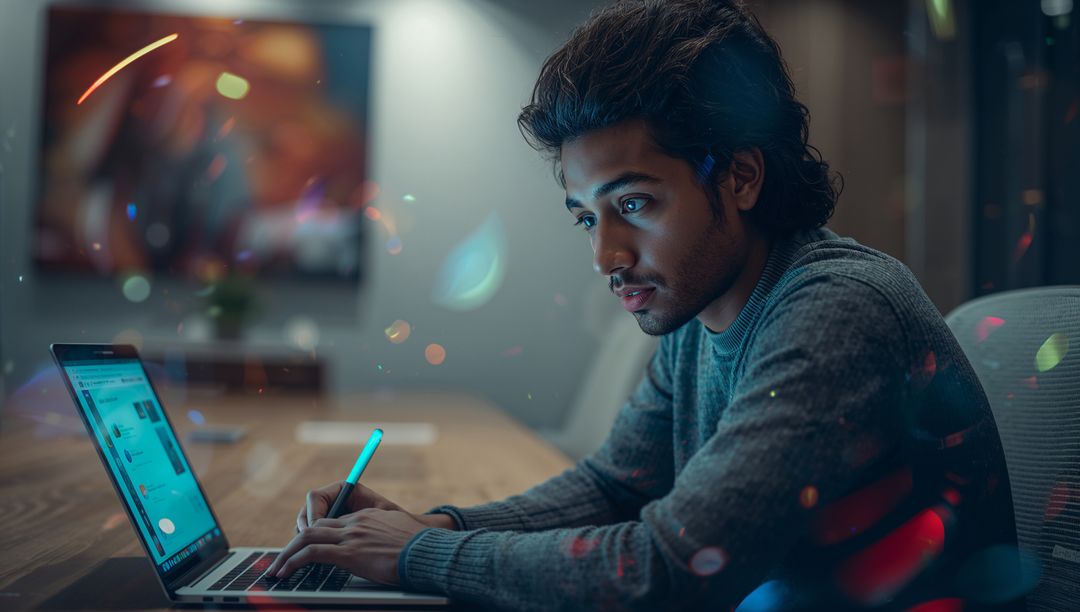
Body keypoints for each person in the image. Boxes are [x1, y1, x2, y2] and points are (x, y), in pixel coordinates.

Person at [266, 1, 1020, 609]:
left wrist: (420, 555)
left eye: (635, 202)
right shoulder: (705, 307)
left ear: (742, 178)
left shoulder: (837, 312)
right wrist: (433, 524)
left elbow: (671, 570)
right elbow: (614, 487)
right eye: (588, 216)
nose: (607, 256)